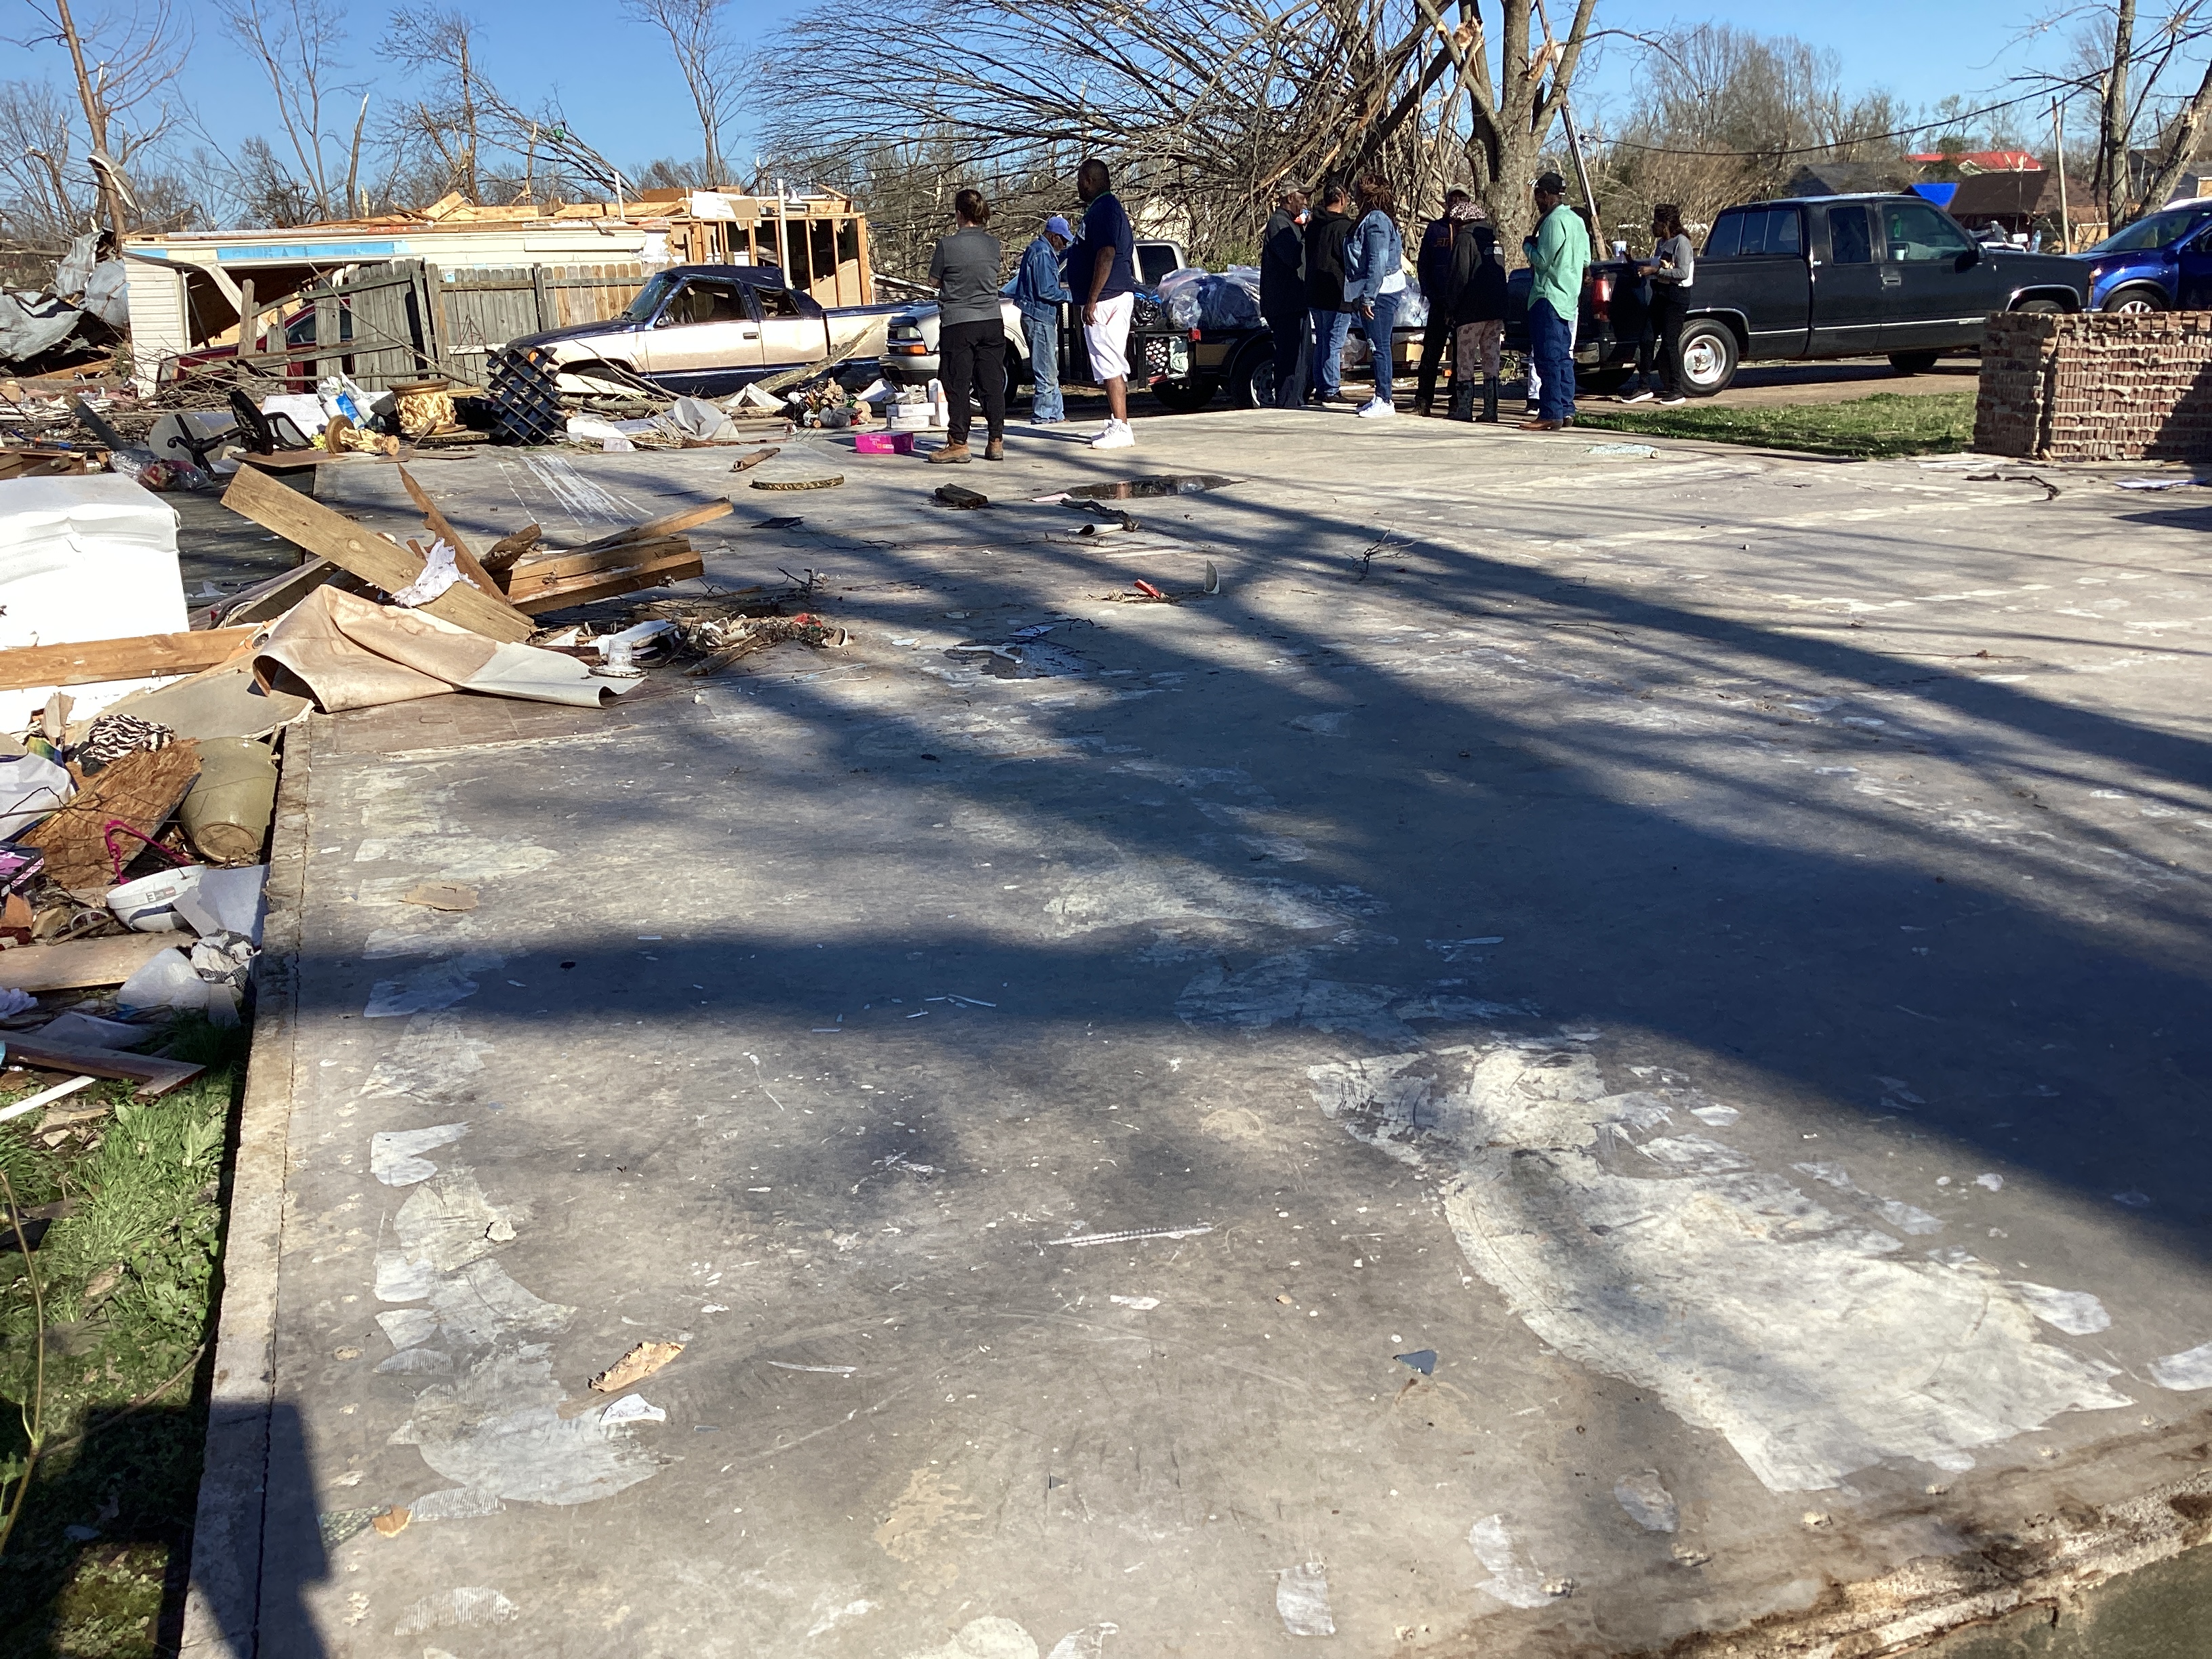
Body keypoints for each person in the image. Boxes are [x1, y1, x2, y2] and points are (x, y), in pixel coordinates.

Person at [925, 188, 1006, 464]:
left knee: (957, 383)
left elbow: (934, 281)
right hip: (992, 320)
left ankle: (958, 442)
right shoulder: (993, 244)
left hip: (959, 322)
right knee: (992, 382)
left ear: (958, 214)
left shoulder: (947, 246)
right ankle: (996, 440)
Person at [1065, 157, 1138, 449]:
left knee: (1109, 361)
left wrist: (1092, 299)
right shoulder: (1100, 209)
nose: (1079, 187)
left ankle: (1122, 427)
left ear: (1089, 180)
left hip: (1108, 297)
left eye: (1080, 181)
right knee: (1107, 360)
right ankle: (1116, 421)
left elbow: (1106, 253)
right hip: (1106, 296)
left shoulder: (1106, 209)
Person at [1522, 170, 1589, 432]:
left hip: (1547, 296)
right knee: (1563, 357)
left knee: (1547, 358)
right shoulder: (1576, 221)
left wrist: (1528, 245)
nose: (1537, 201)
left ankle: (1550, 413)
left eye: (1538, 196)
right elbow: (1585, 261)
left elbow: (1542, 259)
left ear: (1546, 196)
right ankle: (1566, 407)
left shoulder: (1552, 222)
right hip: (1569, 299)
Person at [1341, 172, 1407, 419]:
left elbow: (1377, 262)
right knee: (1376, 344)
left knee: (1379, 346)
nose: (1354, 195)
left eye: (1357, 191)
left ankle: (1385, 399)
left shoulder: (1377, 221)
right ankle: (1381, 395)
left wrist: (1368, 296)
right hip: (1376, 290)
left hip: (1381, 291)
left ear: (1366, 195)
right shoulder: (1373, 218)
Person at [1003, 213, 1073, 424]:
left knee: (1050, 368)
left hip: (1037, 316)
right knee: (1045, 370)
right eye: (1063, 239)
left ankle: (1056, 414)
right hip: (1039, 317)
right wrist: (1071, 296)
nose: (1065, 243)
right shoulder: (1043, 253)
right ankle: (1043, 416)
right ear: (1053, 236)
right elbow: (1046, 291)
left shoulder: (1035, 249)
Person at [1443, 199, 1507, 423]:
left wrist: (1451, 308)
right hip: (1495, 310)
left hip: (1471, 311)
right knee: (1491, 360)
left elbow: (1459, 275)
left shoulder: (1464, 238)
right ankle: (1491, 410)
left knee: (1466, 360)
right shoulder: (1494, 238)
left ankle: (1464, 408)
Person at [1624, 202, 1694, 407]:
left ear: (1666, 224)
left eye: (1655, 222)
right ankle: (1644, 386)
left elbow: (1683, 273)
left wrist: (1655, 272)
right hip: (1660, 294)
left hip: (1676, 296)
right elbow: (1655, 267)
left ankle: (1676, 389)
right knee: (1646, 338)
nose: (1652, 227)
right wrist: (1632, 263)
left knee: (1670, 343)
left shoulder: (1682, 243)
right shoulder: (1661, 245)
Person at [1414, 188, 1469, 416]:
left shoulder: (1471, 230)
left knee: (1461, 357)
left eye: (1461, 198)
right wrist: (1430, 293)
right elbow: (1423, 265)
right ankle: (1423, 400)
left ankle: (1457, 402)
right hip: (1438, 302)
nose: (1455, 202)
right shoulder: (1435, 229)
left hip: (1463, 304)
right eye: (1452, 198)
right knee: (1430, 354)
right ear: (1445, 202)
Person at [1260, 186, 1311, 410]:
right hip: (1285, 304)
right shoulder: (1279, 224)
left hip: (1297, 302)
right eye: (1303, 198)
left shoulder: (1292, 224)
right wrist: (1307, 234)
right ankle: (1287, 402)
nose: (1306, 203)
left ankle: (1297, 399)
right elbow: (1293, 258)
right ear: (1290, 198)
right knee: (1289, 357)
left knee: (1302, 356)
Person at [1303, 184, 1355, 404]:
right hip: (1337, 293)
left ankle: (1321, 387)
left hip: (1315, 291)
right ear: (1342, 199)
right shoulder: (1344, 227)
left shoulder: (1313, 225)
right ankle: (1331, 389)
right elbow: (1350, 260)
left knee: (1323, 342)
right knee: (1334, 343)